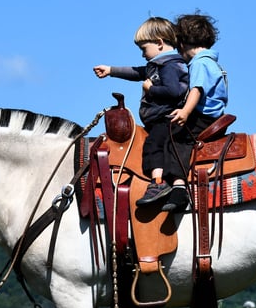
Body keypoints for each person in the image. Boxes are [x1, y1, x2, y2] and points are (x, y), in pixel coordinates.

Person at [93, 17, 189, 206]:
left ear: (160, 43)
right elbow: (137, 72)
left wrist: (150, 90)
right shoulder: (158, 65)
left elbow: (174, 91)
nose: (143, 54)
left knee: (153, 145)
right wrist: (111, 70)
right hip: (157, 119)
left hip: (166, 119)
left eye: (144, 49)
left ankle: (158, 182)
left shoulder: (169, 66)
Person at [163, 12, 228, 212]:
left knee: (176, 139)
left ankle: (179, 187)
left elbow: (197, 90)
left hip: (203, 116)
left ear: (181, 44)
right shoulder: (212, 61)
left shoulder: (199, 63)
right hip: (215, 116)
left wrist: (184, 112)